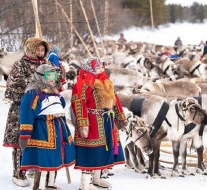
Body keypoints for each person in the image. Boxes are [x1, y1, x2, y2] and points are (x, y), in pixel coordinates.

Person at [71, 57, 127, 190]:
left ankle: (97, 178)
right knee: (91, 151)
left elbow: (115, 99)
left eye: (102, 67)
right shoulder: (83, 83)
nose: (101, 70)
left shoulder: (107, 82)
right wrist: (83, 123)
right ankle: (85, 183)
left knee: (103, 150)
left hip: (107, 121)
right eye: (97, 68)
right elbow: (78, 103)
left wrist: (121, 117)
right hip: (91, 121)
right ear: (89, 68)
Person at [19, 64, 75, 190]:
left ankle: (50, 184)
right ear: (40, 76)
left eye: (54, 75)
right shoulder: (33, 93)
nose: (52, 79)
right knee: (44, 159)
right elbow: (26, 112)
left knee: (55, 157)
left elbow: (61, 105)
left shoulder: (54, 91)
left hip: (58, 128)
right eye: (49, 75)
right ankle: (39, 186)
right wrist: (25, 134)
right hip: (43, 130)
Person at [3, 37, 50, 187]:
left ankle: (33, 168)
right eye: (38, 49)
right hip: (22, 110)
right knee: (21, 141)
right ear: (30, 49)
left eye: (43, 50)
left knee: (39, 140)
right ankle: (19, 173)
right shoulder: (20, 65)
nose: (40, 52)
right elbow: (13, 88)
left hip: (42, 109)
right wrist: (35, 88)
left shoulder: (46, 65)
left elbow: (54, 83)